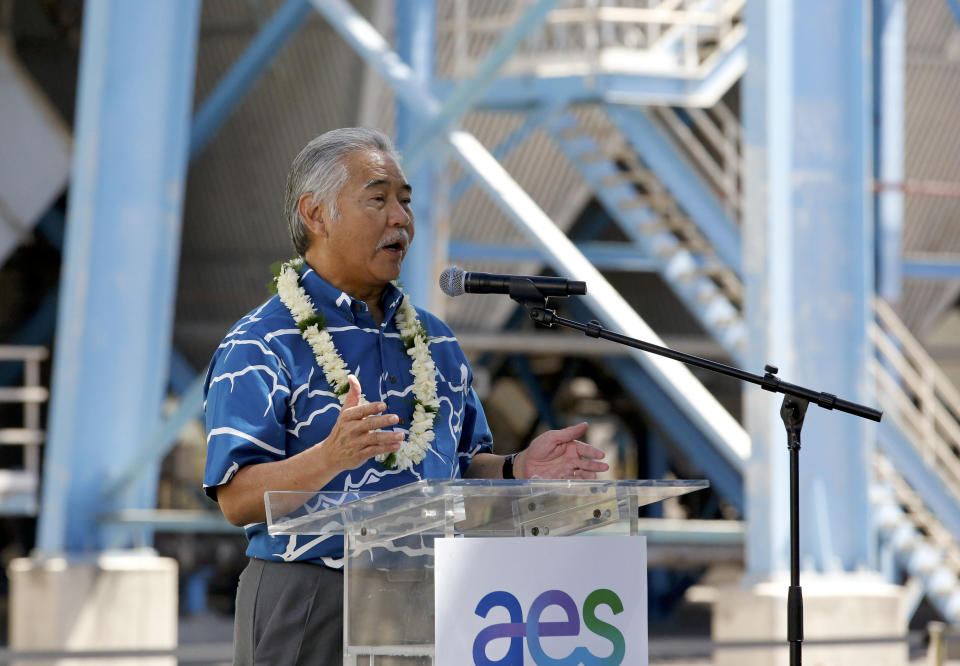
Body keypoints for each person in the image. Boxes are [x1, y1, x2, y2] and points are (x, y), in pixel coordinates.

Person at [202, 127, 608, 664]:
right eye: (378, 198)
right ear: (316, 215)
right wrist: (331, 456)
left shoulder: (435, 340)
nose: (401, 217)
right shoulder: (261, 341)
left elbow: (461, 464)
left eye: (405, 200)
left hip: (430, 593)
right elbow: (236, 498)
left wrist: (516, 468)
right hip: (311, 596)